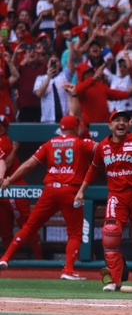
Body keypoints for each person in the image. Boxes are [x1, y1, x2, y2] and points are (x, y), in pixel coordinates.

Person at [74, 110, 132, 291]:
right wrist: (81, 191)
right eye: (117, 120)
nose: (121, 123)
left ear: (129, 124)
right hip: (116, 196)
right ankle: (115, 280)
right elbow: (93, 169)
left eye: (124, 120)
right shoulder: (102, 147)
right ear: (110, 126)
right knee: (110, 232)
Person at [0, 116, 96, 280]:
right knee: (74, 233)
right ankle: (68, 270)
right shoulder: (81, 143)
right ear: (76, 128)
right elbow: (103, 149)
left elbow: (28, 164)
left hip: (50, 190)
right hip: (70, 191)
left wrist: (10, 179)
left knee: (29, 226)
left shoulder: (50, 143)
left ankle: (5, 258)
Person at [0, 114, 42, 259]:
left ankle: (39, 260)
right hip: (7, 190)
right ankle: (9, 262)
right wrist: (15, 149)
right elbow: (6, 163)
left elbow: (7, 164)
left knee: (27, 226)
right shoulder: (5, 141)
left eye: (2, 125)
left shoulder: (4, 139)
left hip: (13, 189)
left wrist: (14, 149)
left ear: (6, 127)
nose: (0, 127)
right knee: (5, 230)